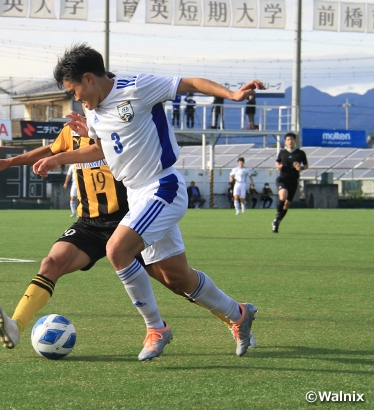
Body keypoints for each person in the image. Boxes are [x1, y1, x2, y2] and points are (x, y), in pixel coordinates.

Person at [34, 43, 259, 359]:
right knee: (175, 276)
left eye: (74, 90)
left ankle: (156, 328)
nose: (76, 99)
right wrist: (61, 158)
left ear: (88, 78)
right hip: (137, 194)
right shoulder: (92, 110)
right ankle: (238, 314)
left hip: (162, 186)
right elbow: (102, 148)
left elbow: (190, 83)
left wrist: (233, 95)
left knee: (116, 249)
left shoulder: (137, 88)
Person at [0, 123, 254, 358]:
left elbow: (98, 150)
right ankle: (16, 326)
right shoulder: (72, 132)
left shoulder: (118, 128)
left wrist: (78, 144)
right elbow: (50, 150)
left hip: (132, 221)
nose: (84, 103)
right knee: (51, 262)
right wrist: (9, 162)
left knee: (177, 281)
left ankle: (234, 316)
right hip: (91, 223)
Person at [272, 133, 307, 233]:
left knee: (286, 204)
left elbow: (306, 165)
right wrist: (278, 166)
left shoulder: (300, 153)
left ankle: (277, 221)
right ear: (285, 141)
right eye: (288, 140)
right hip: (282, 179)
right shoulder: (282, 152)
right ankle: (278, 217)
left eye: (291, 139)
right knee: (283, 196)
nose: (290, 141)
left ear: (295, 141)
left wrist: (301, 168)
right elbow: (277, 161)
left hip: (293, 180)